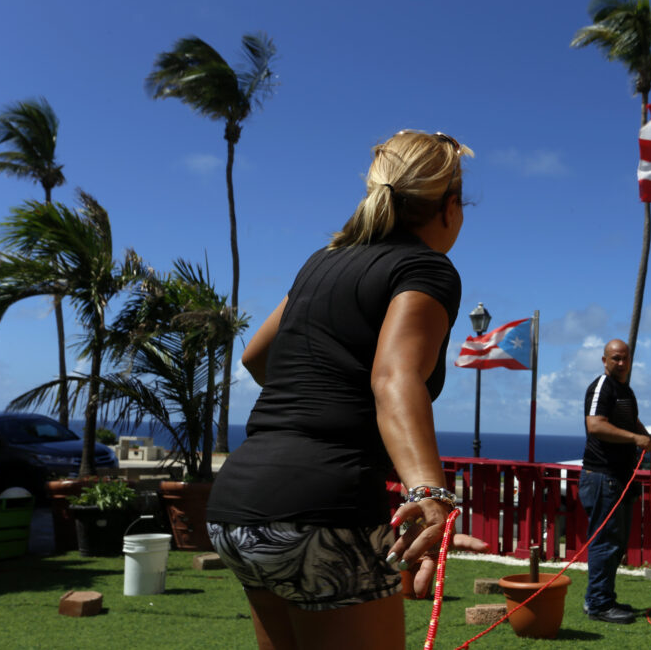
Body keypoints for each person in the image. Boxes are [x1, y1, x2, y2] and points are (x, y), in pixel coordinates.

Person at [205, 130, 488, 650]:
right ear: (449, 207)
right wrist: (429, 491)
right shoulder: (425, 268)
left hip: (237, 509)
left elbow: (255, 356)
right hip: (325, 511)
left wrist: (323, 399)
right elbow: (394, 376)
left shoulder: (321, 263)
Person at [579, 339, 651, 624]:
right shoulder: (602, 387)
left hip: (618, 478)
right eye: (615, 358)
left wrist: (649, 441)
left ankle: (602, 597)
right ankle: (598, 604)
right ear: (604, 360)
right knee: (605, 543)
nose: (621, 363)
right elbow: (594, 425)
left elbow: (631, 422)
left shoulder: (624, 391)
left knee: (615, 543)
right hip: (602, 477)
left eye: (625, 358)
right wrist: (635, 439)